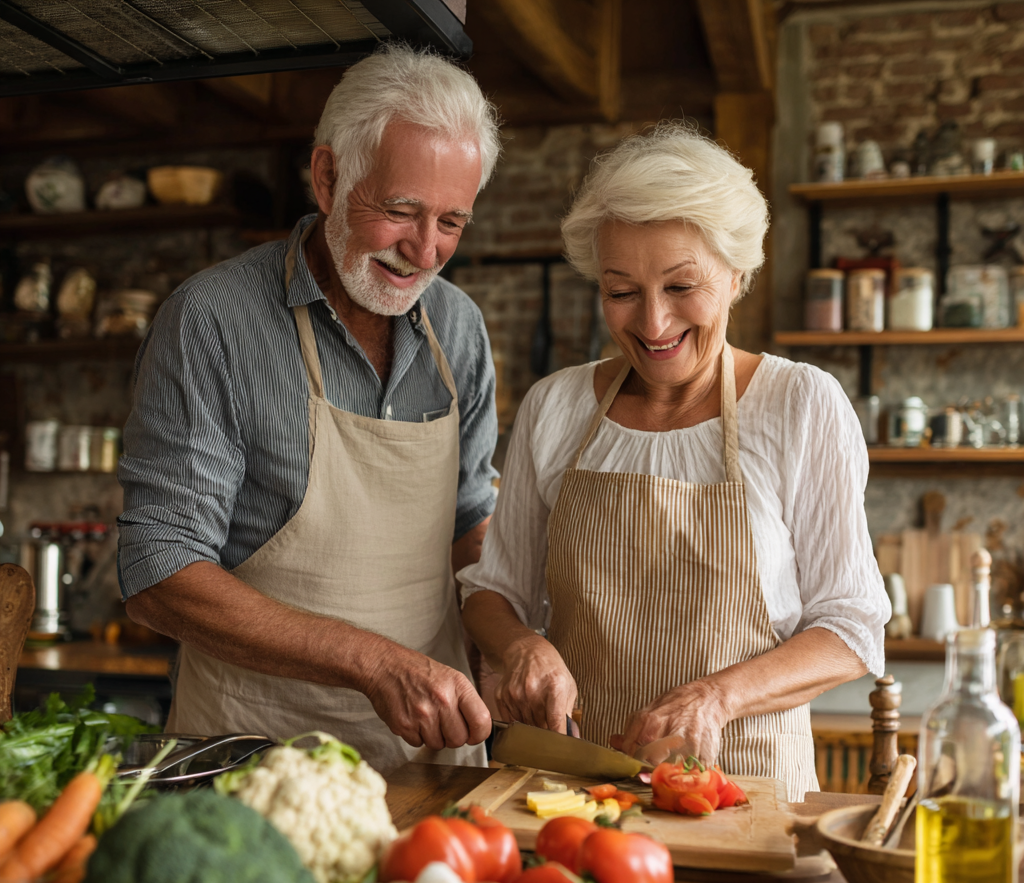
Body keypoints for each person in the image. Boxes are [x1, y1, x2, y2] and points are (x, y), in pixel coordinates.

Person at [459, 124, 888, 800]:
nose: (653, 325)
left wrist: (716, 698)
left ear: (737, 274)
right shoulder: (555, 407)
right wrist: (519, 645)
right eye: (622, 291)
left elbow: (852, 625)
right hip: (577, 794)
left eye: (682, 285)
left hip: (748, 796)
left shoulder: (801, 404)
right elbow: (492, 593)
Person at [118, 44, 503, 774]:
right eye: (400, 212)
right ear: (328, 176)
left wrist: (512, 644)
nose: (424, 252)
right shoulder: (211, 320)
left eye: (452, 222)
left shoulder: (459, 329)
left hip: (431, 768)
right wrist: (371, 661)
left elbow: (466, 527)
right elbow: (158, 573)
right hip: (252, 762)